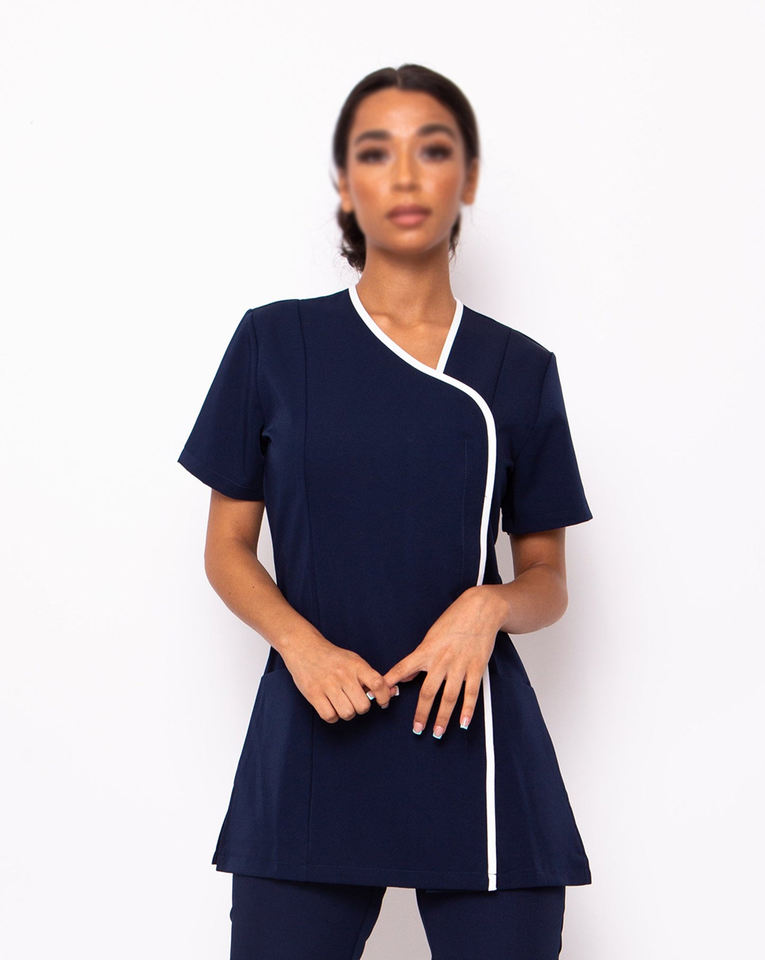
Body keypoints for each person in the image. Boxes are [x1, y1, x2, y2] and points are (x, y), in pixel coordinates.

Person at [177, 63, 593, 960]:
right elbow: (227, 548)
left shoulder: (519, 370)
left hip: (474, 742)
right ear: (345, 184)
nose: (404, 175)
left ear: (466, 180)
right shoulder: (274, 343)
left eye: (432, 150)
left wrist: (488, 606)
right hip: (313, 732)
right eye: (375, 152)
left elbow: (548, 579)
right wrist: (302, 647)